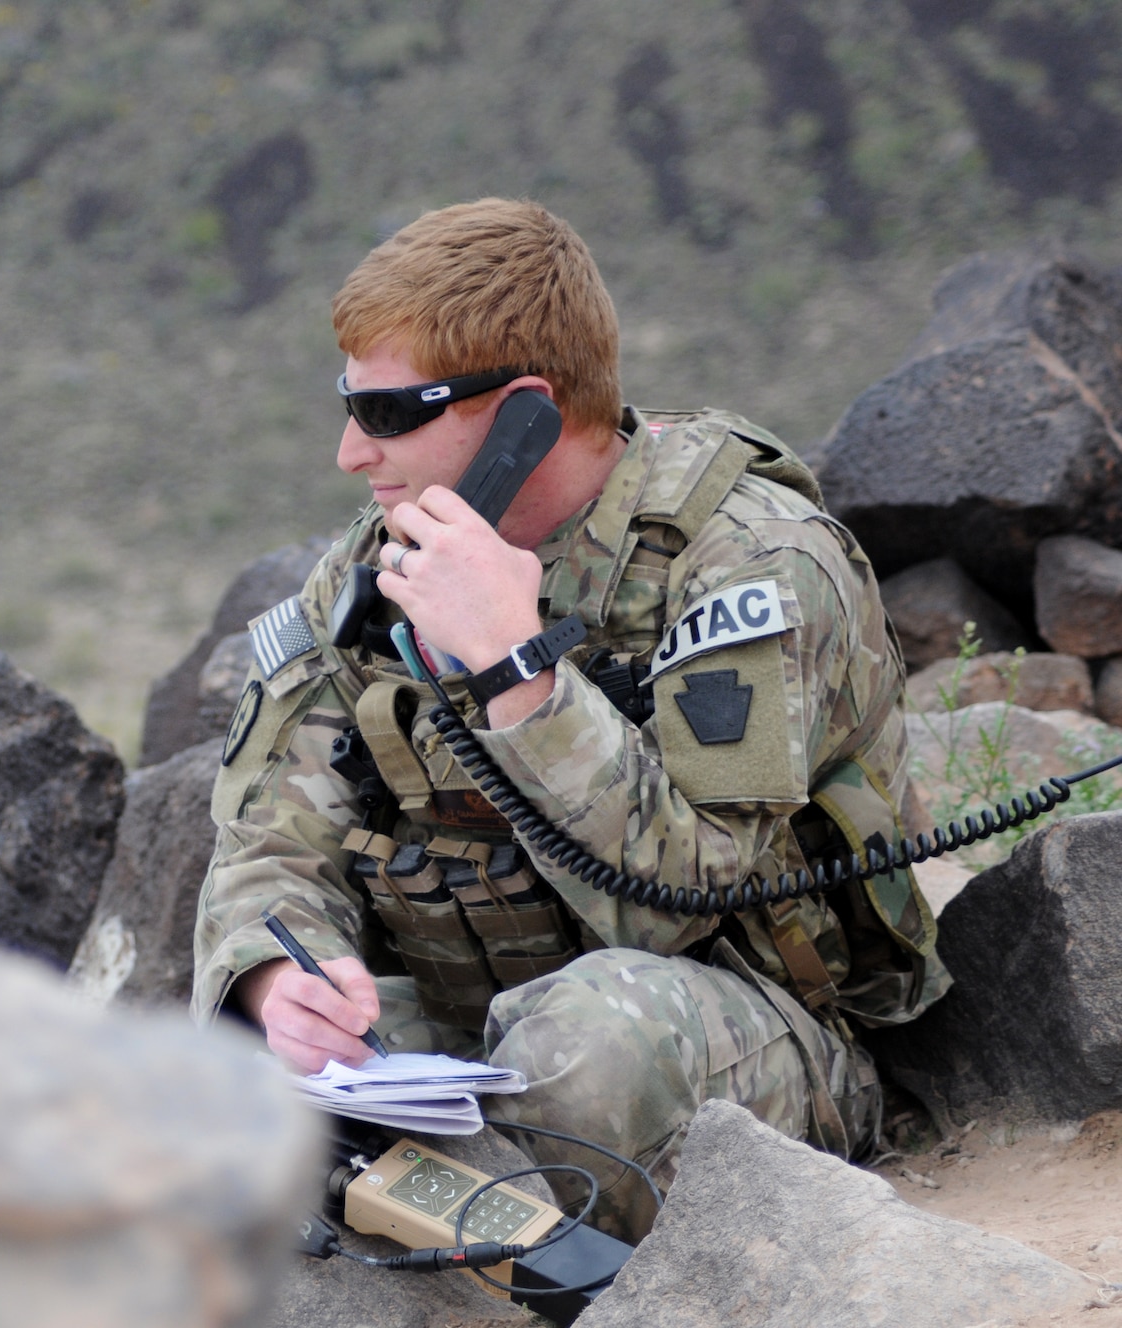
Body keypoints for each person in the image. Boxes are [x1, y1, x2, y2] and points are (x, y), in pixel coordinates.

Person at [191, 198, 946, 1241]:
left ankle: (418, 1218)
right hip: (473, 1039)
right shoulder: (368, 577)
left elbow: (671, 901)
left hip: (740, 1032)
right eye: (347, 404)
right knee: (216, 1065)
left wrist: (517, 667)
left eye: (389, 412)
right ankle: (424, 1211)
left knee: (587, 1052)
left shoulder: (752, 563)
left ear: (524, 414)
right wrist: (282, 978)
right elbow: (268, 843)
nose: (349, 454)